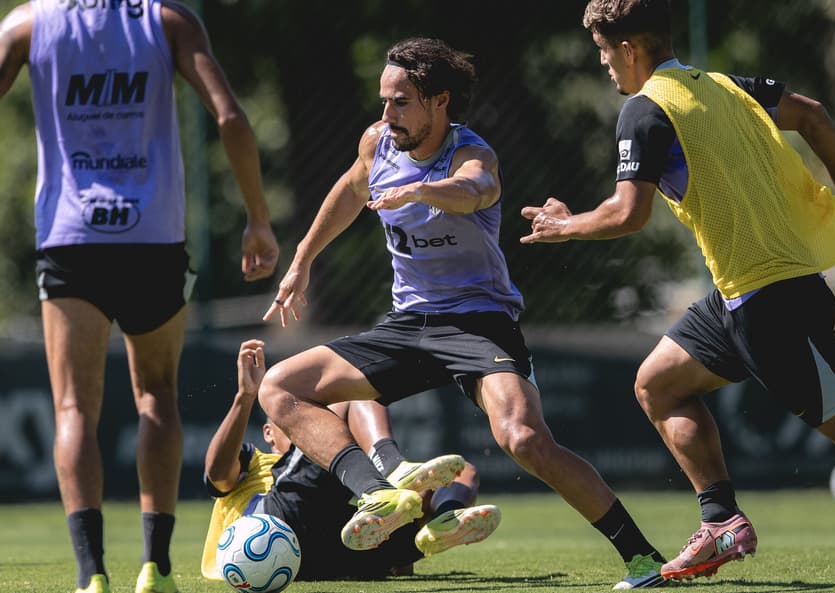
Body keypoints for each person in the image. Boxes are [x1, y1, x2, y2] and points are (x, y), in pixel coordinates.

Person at [521, 0, 835, 583]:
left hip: (772, 303)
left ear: (628, 49)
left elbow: (628, 214)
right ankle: (721, 521)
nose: (604, 64)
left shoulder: (644, 111)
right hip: (740, 297)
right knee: (658, 384)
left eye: (603, 51)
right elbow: (815, 115)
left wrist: (563, 225)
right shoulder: (727, 85)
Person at [258, 37, 666, 590]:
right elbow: (350, 191)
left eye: (401, 102)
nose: (387, 114)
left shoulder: (473, 154)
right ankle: (377, 492)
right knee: (279, 387)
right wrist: (302, 260)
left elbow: (473, 190)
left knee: (525, 439)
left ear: (439, 101)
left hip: (479, 322)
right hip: (408, 324)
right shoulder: (378, 143)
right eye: (385, 100)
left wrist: (420, 190)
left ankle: (643, 558)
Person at [0, 2, 280, 593]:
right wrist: (258, 217)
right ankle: (156, 567)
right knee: (157, 396)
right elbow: (229, 118)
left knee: (75, 409)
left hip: (71, 238)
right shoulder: (167, 20)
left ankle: (91, 575)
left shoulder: (28, 24)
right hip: (152, 238)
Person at [202, 339, 501, 581]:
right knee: (352, 388)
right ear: (268, 432)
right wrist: (245, 397)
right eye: (304, 411)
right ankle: (392, 466)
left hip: (343, 555)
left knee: (463, 473)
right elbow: (217, 475)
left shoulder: (350, 462)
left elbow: (401, 570)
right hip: (279, 527)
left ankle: (441, 525)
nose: (316, 418)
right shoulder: (257, 461)